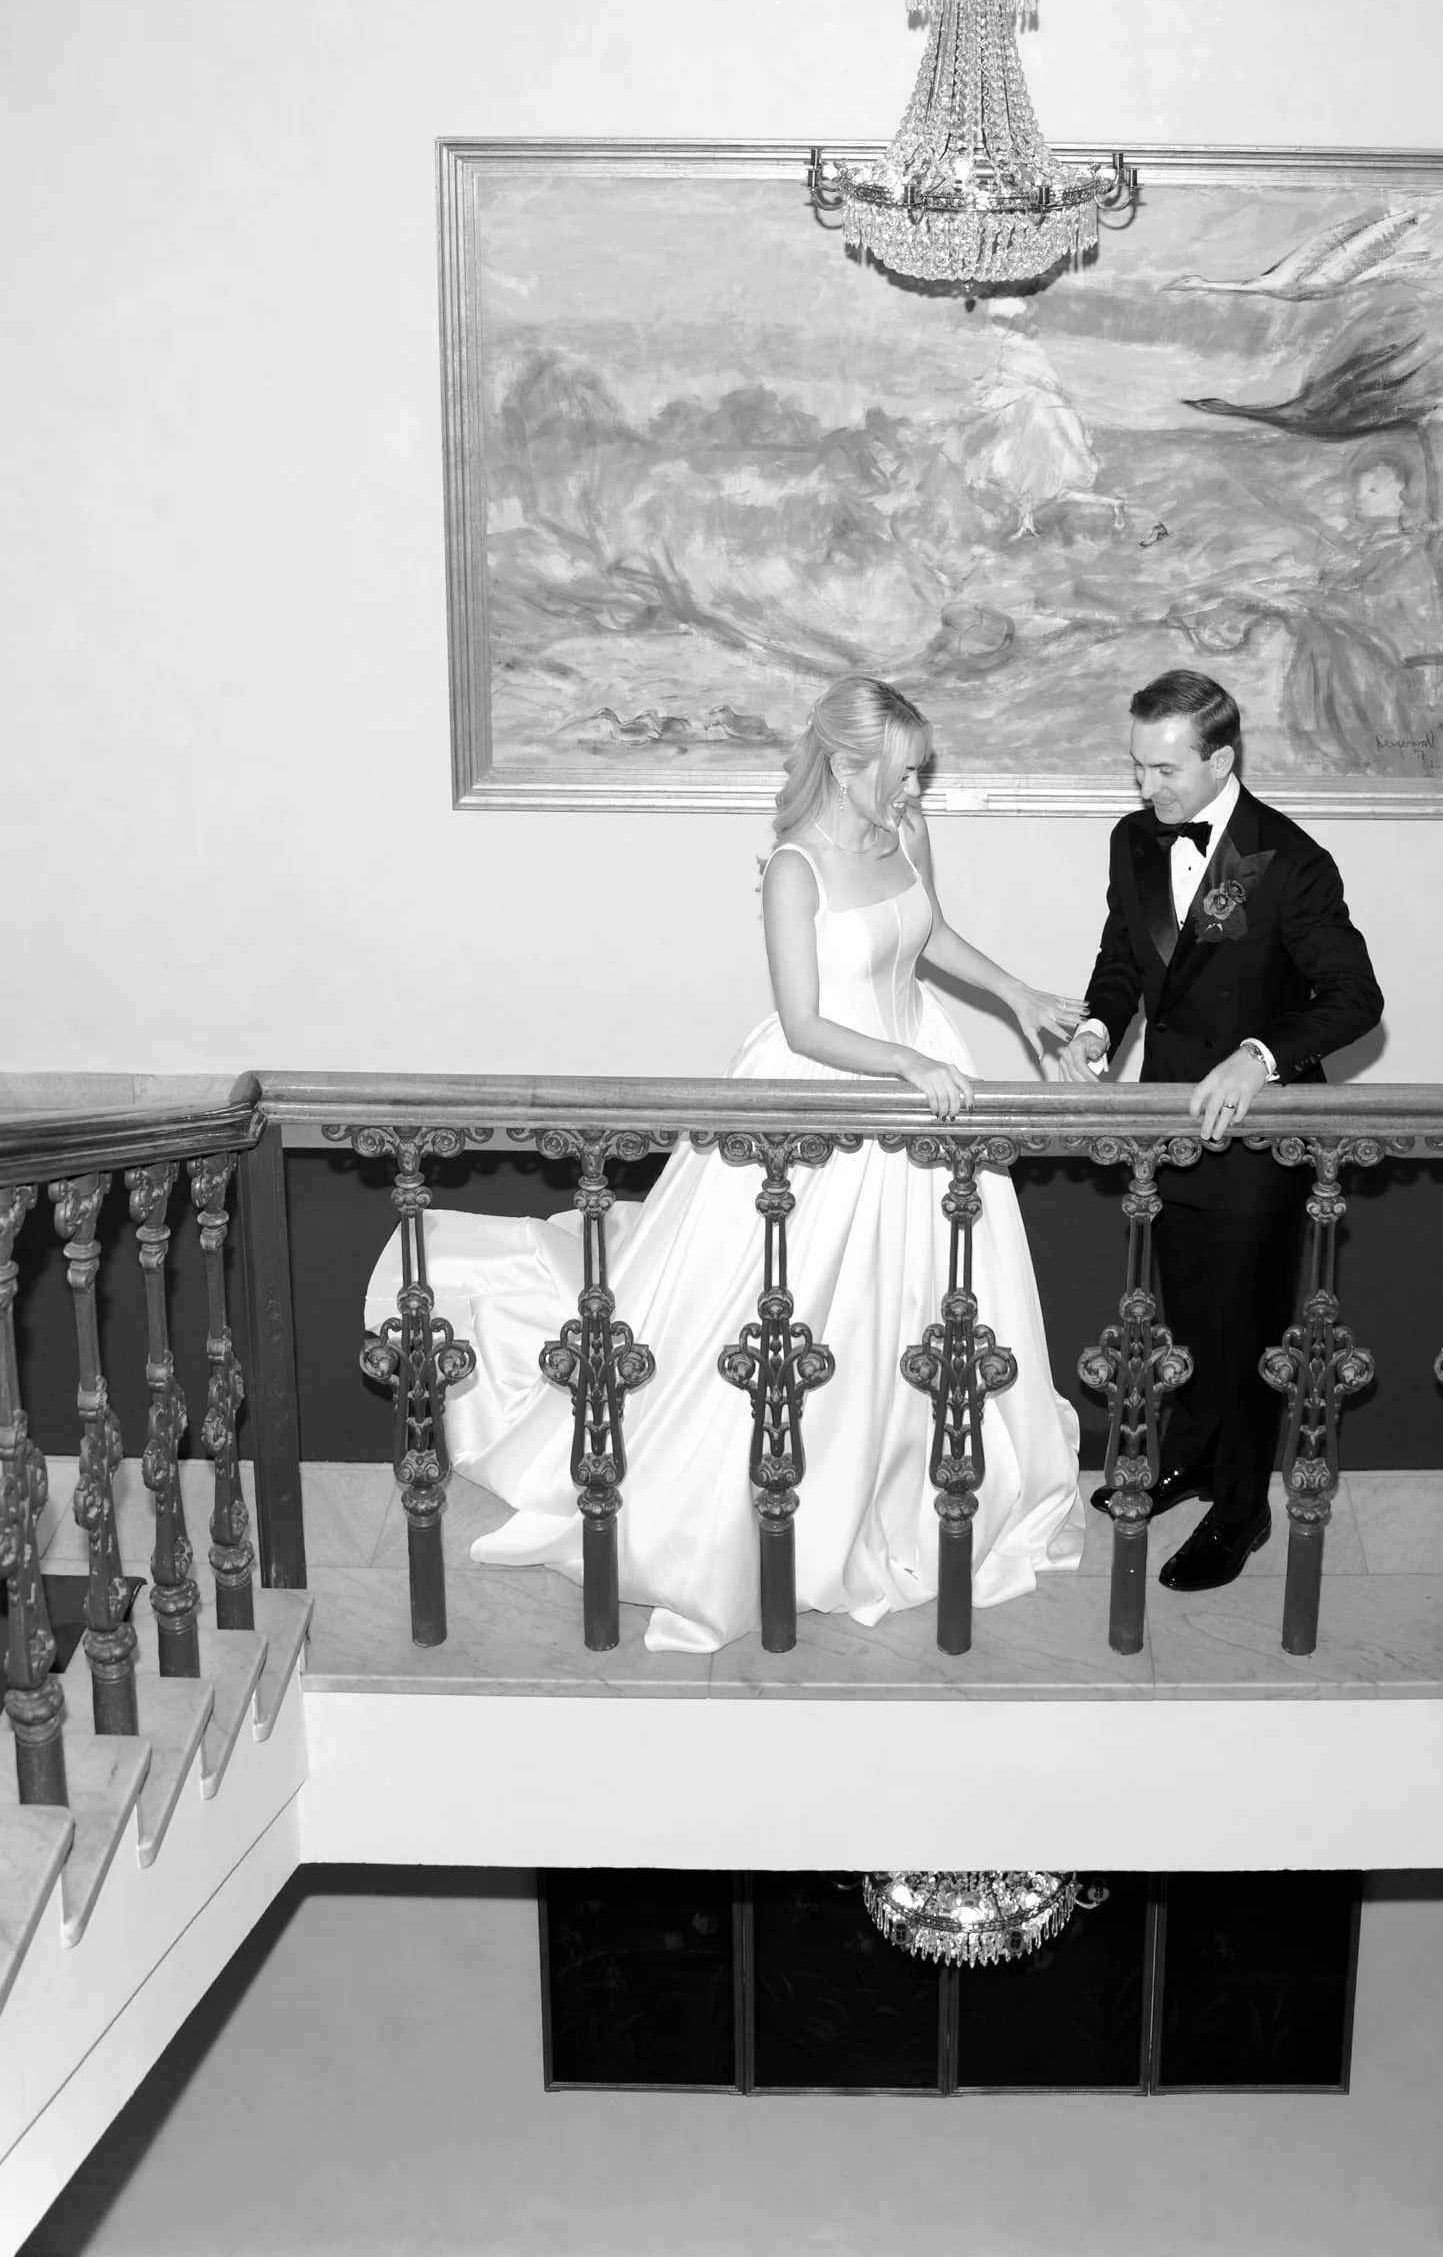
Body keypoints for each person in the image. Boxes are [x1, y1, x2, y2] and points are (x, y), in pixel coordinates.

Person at [374, 677, 1090, 1653]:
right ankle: (766, 1508)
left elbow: (933, 935)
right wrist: (907, 1065)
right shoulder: (794, 868)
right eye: (902, 770)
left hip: (921, 1082)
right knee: (773, 1311)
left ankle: (899, 1491)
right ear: (845, 764)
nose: (915, 786)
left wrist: (1021, 994)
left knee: (916, 1308)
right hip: (826, 1096)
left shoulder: (904, 832)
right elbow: (804, 1022)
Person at [1057, 668, 1385, 1591]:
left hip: (1257, 1137)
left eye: (1164, 771)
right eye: (1137, 769)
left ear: (1222, 760)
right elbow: (1125, 953)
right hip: (1169, 1125)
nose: (1145, 789)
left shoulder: (1290, 860)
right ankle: (1195, 1457)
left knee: (1245, 1325)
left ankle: (1242, 1513)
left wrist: (1259, 1055)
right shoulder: (1133, 840)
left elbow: (1356, 998)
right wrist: (1095, 1025)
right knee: (1189, 1307)